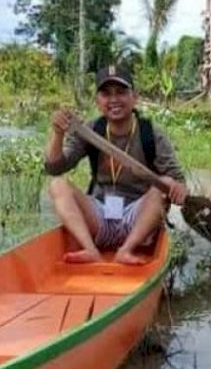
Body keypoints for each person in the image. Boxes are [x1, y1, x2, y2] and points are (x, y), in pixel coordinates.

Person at [44, 65, 188, 265]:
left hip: (136, 218)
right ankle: (90, 249)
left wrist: (178, 188)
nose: (114, 100)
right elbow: (54, 168)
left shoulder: (150, 133)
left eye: (121, 92)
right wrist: (58, 134)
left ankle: (126, 250)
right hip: (100, 213)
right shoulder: (91, 130)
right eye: (106, 94)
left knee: (163, 184)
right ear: (98, 101)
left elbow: (177, 180)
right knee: (57, 185)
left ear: (134, 97)